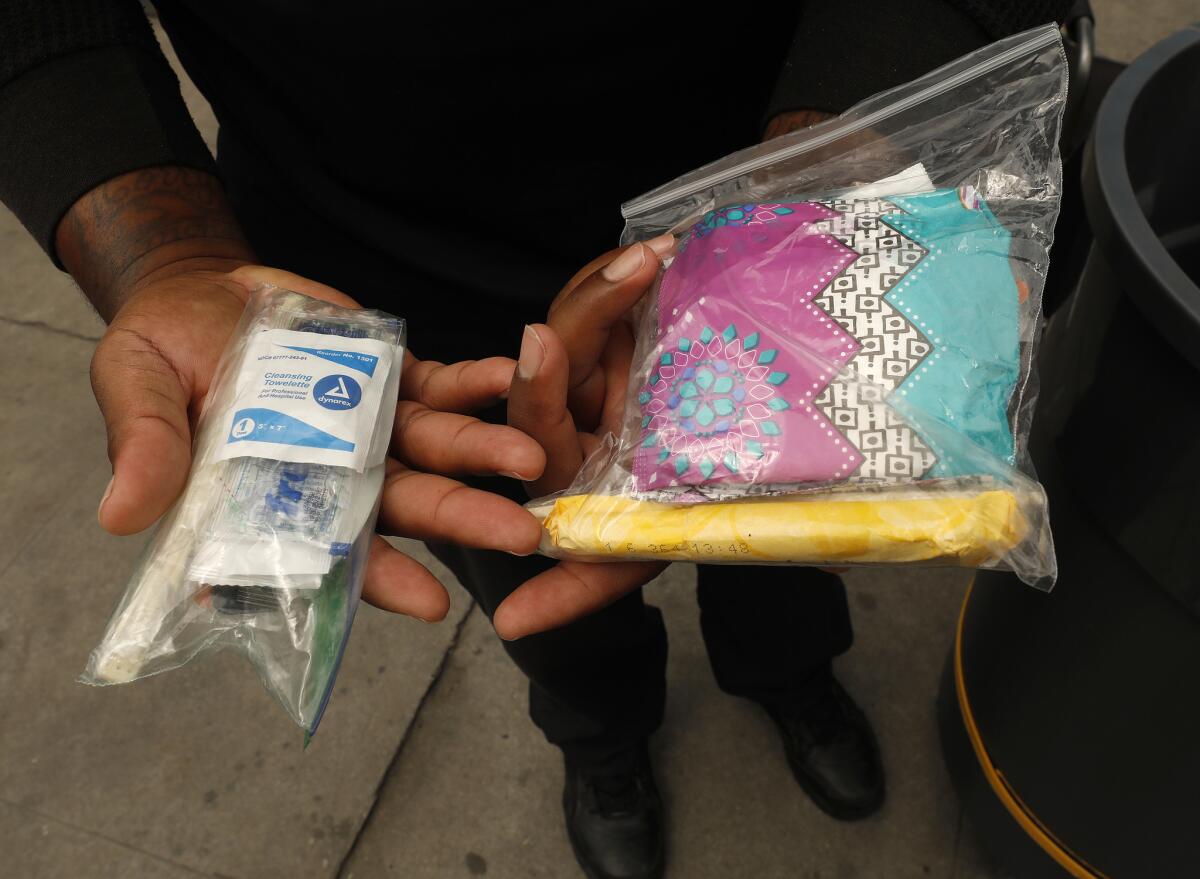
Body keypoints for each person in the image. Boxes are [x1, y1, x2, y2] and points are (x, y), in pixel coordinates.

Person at [0, 3, 1079, 877]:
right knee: (528, 577)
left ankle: (791, 677)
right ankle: (603, 742)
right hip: (389, 295)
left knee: (783, 545)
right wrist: (165, 254)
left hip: (758, 249)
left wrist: (815, 192)